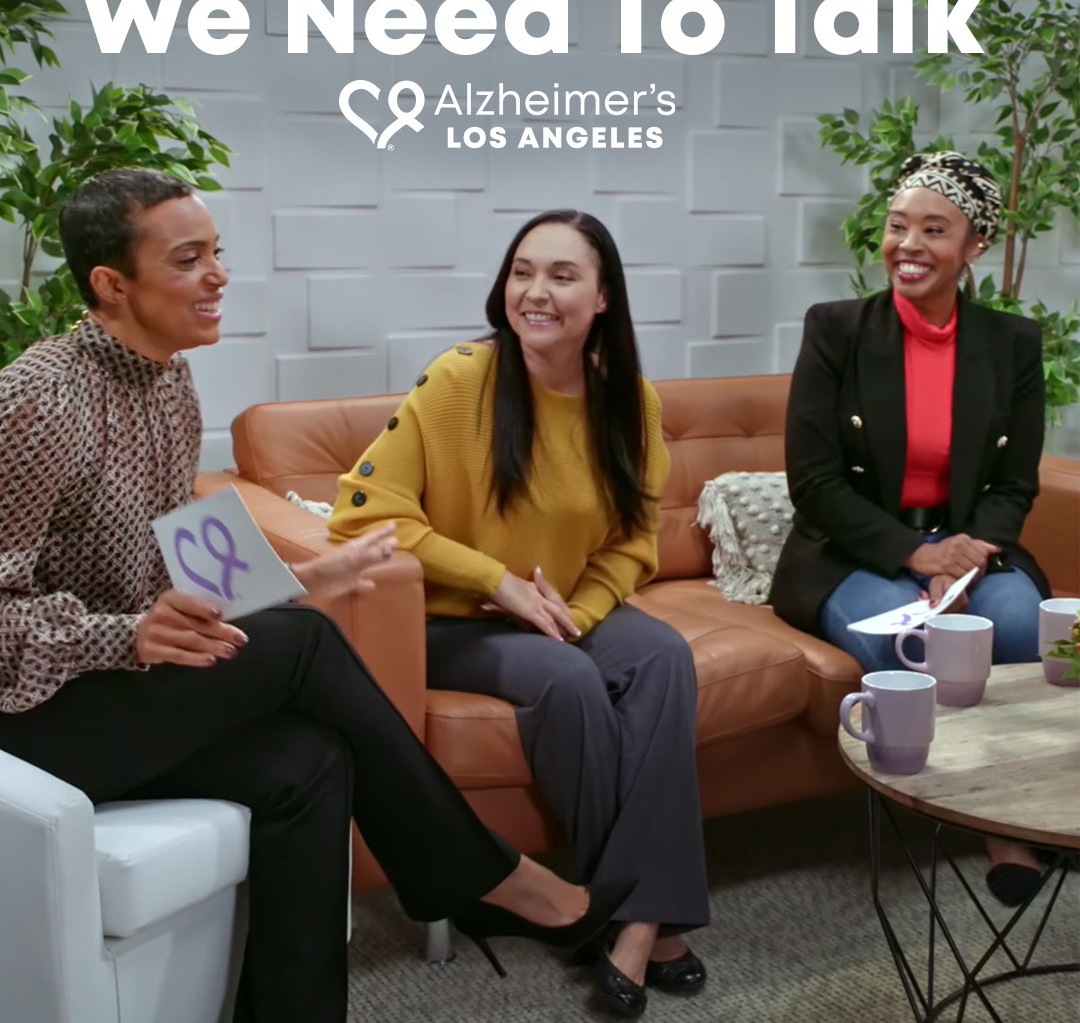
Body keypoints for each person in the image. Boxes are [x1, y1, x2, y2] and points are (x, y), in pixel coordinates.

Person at [0, 169, 634, 1023]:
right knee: (304, 645)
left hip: (114, 696)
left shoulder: (171, 384)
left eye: (216, 254)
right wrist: (124, 638)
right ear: (112, 284)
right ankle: (487, 877)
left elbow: (178, 572)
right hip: (31, 720)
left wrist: (300, 579)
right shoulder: (38, 398)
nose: (220, 277)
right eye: (190, 261)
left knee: (309, 761)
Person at [328, 210, 709, 1018]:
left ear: (603, 298)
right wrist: (498, 582)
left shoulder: (628, 402)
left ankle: (634, 922)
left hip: (561, 608)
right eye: (522, 272)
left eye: (562, 276)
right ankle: (651, 927)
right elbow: (365, 512)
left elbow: (634, 541)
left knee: (664, 655)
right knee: (568, 680)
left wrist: (580, 609)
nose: (536, 292)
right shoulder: (462, 378)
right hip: (452, 620)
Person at [770, 151, 1050, 906]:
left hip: (968, 547)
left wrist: (961, 559)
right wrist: (919, 555)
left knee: (1021, 625)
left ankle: (1015, 806)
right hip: (855, 550)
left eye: (935, 229)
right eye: (898, 227)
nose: (909, 245)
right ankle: (966, 813)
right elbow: (816, 482)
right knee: (890, 637)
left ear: (973, 249)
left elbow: (1015, 482)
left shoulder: (1013, 345)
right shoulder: (835, 331)